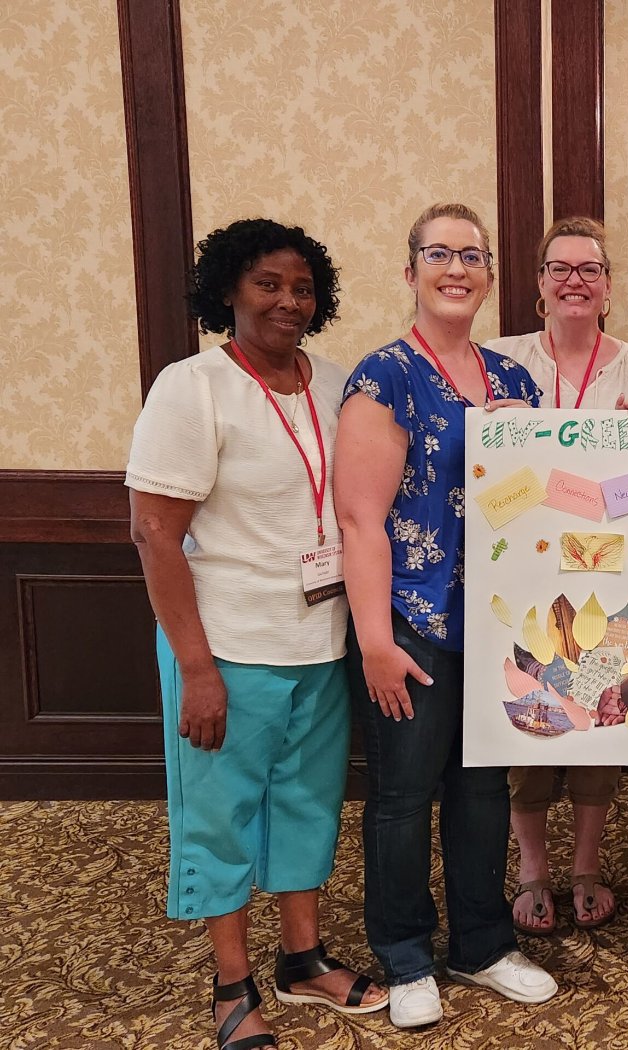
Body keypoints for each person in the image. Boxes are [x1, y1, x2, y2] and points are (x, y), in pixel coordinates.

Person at [128, 219, 387, 1049]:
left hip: (320, 641)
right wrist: (196, 669)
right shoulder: (192, 386)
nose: (287, 301)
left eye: (303, 288)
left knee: (307, 806)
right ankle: (232, 982)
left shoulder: (336, 381)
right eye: (268, 283)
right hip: (228, 648)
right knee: (223, 816)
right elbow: (154, 533)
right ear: (229, 290)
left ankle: (302, 959)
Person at [335, 203, 557, 1029]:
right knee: (402, 794)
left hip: (500, 624)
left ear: (491, 274)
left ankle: (483, 943)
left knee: (482, 789)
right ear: (411, 271)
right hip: (414, 625)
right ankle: (404, 955)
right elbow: (360, 521)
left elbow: (545, 500)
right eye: (439, 254)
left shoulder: (515, 381)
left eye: (472, 255)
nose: (456, 268)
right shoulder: (384, 376)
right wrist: (376, 643)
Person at [485, 216, 628, 935]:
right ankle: (532, 870)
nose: (574, 281)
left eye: (589, 269)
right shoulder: (498, 361)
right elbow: (480, 467)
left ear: (609, 285)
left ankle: (586, 864)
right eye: (559, 268)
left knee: (600, 723)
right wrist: (493, 425)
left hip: (616, 575)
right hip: (527, 579)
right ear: (537, 284)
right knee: (530, 725)